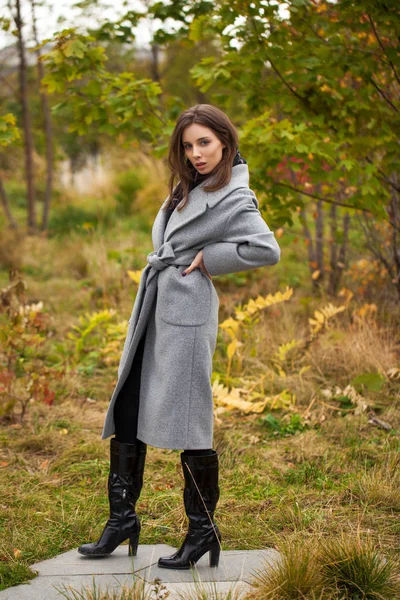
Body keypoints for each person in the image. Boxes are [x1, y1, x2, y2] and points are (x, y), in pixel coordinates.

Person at [77, 104, 281, 569]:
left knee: (191, 421)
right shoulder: (186, 186)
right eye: (188, 146)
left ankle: (202, 530)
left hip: (186, 313)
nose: (196, 153)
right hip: (155, 304)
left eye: (204, 143)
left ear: (225, 142)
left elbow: (266, 249)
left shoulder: (235, 196)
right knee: (128, 403)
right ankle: (122, 520)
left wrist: (211, 257)